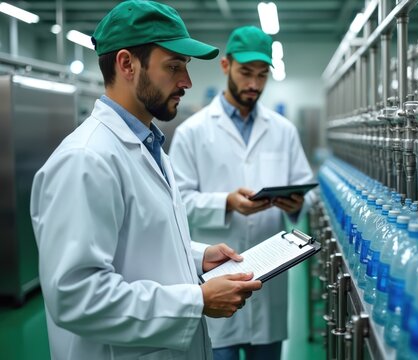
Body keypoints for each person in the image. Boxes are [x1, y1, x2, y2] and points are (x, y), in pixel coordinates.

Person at [29, 2, 262, 359]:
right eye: (174, 67)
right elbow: (76, 297)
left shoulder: (148, 145)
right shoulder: (86, 160)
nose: (187, 82)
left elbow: (139, 241)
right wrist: (195, 300)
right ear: (127, 64)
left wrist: (197, 256)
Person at [169, 25, 315, 360]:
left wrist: (296, 204)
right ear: (226, 66)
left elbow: (309, 189)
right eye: (246, 73)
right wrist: (227, 204)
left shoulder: (284, 131)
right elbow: (177, 204)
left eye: (262, 75)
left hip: (270, 278)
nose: (253, 84)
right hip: (218, 276)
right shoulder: (193, 132)